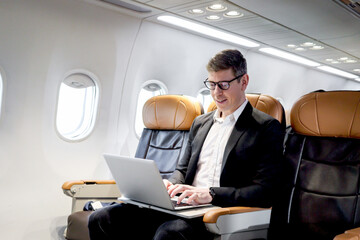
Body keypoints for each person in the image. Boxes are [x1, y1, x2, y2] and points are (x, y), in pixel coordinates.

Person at [88, 49, 284, 240]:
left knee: (170, 233)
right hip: (185, 206)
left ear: (244, 81)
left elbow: (265, 191)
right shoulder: (200, 123)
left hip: (219, 213)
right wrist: (170, 184)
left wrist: (211, 194)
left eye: (224, 84)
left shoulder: (265, 127)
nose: (216, 93)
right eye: (212, 84)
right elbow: (182, 170)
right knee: (102, 218)